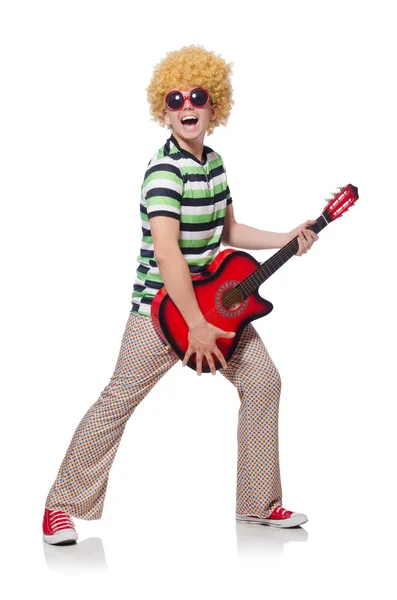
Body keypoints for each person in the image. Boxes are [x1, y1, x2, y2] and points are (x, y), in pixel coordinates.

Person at [42, 45, 318, 545]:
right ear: (163, 109)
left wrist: (286, 237)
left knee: (262, 380)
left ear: (216, 105)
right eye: (175, 98)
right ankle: (59, 506)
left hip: (214, 306)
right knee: (118, 400)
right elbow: (168, 254)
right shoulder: (165, 172)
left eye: (198, 95)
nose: (187, 105)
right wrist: (193, 323)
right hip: (161, 312)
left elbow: (229, 229)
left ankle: (257, 502)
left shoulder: (215, 163)